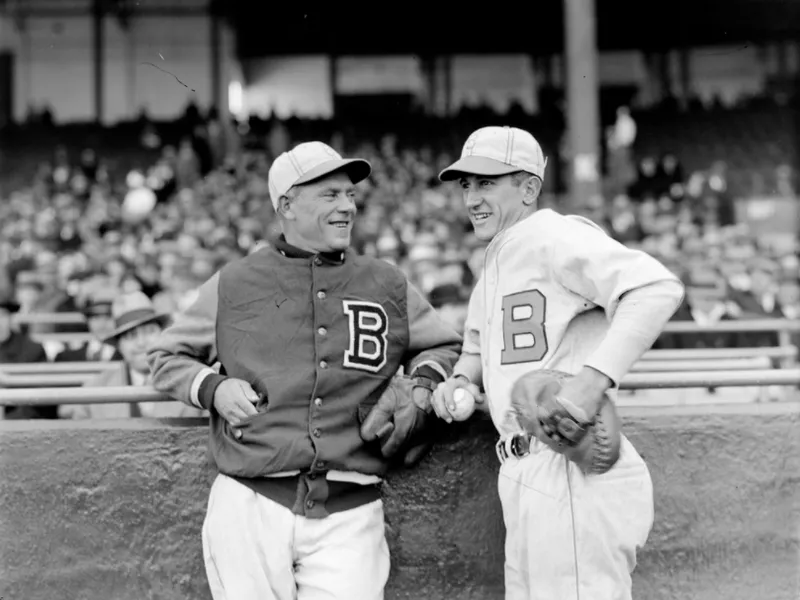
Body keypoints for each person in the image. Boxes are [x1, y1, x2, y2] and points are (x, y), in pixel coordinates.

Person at [147, 141, 462, 600]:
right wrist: (212, 387)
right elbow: (164, 358)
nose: (346, 207)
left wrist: (423, 383)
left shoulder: (387, 282)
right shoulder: (235, 281)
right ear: (287, 205)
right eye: (330, 195)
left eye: (350, 195)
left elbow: (443, 345)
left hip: (351, 508)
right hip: (251, 500)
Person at [431, 126, 685, 600]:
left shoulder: (554, 234)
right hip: (523, 469)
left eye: (487, 182)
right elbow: (475, 352)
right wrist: (461, 383)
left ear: (529, 187)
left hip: (569, 460)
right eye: (466, 184)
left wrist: (589, 384)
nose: (472, 198)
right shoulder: (494, 260)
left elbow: (655, 288)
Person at [60, 291, 206, 419]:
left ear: (162, 335)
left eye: (149, 331)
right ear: (119, 346)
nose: (141, 343)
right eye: (131, 336)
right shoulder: (95, 390)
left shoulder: (195, 380)